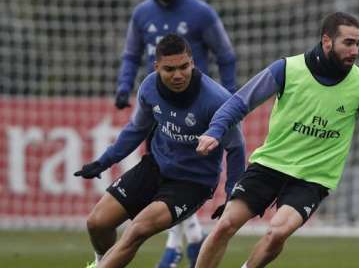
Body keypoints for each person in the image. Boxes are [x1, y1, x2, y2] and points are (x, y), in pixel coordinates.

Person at [194, 12, 359, 268]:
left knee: (277, 232)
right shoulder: (287, 69)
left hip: (313, 178)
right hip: (270, 165)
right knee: (225, 225)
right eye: (348, 42)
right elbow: (239, 102)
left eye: (358, 43)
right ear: (327, 41)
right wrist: (215, 130)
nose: (355, 50)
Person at [75, 34, 245, 268]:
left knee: (137, 230)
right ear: (157, 67)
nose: (178, 75)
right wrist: (104, 161)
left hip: (192, 182)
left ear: (192, 63)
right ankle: (99, 262)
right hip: (155, 167)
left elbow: (236, 147)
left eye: (184, 67)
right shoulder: (148, 87)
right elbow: (136, 129)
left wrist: (231, 194)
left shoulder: (217, 100)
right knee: (97, 222)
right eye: (169, 69)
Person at [113, 0, 238, 268]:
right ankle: (188, 240)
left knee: (185, 176)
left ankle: (175, 247)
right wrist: (123, 86)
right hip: (157, 107)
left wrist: (233, 100)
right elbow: (131, 55)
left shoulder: (201, 13)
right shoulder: (142, 14)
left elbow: (226, 55)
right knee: (165, 174)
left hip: (196, 108)